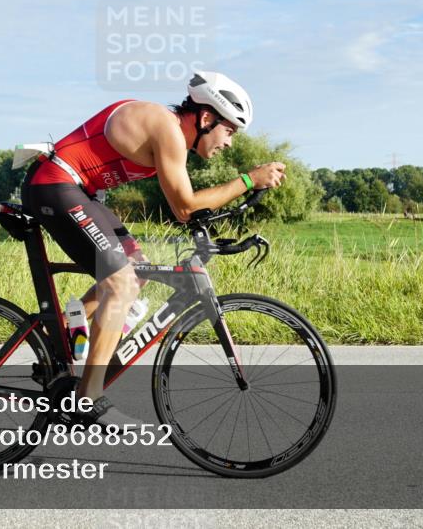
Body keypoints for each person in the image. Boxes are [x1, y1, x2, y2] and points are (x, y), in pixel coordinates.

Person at [20, 71, 286, 427]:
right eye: (230, 131)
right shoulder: (167, 129)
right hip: (56, 185)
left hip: (74, 190)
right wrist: (249, 180)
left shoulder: (171, 132)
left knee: (136, 268)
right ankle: (88, 397)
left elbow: (185, 211)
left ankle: (60, 343)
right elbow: (185, 207)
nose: (230, 142)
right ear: (207, 118)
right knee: (122, 284)